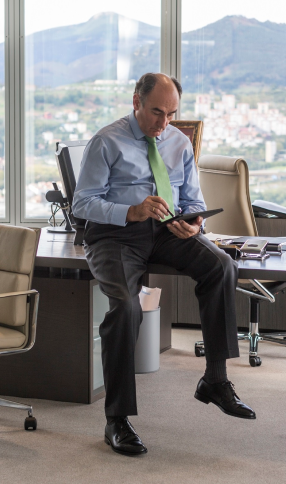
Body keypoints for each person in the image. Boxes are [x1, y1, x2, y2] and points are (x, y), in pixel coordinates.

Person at [73, 73, 255, 457]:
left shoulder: (178, 141)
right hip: (115, 233)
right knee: (125, 306)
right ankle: (117, 419)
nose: (164, 123)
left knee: (221, 265)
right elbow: (83, 203)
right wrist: (131, 210)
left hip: (166, 230)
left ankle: (215, 380)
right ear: (136, 101)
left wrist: (193, 219)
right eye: (157, 112)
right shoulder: (107, 141)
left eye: (171, 114)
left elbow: (191, 196)